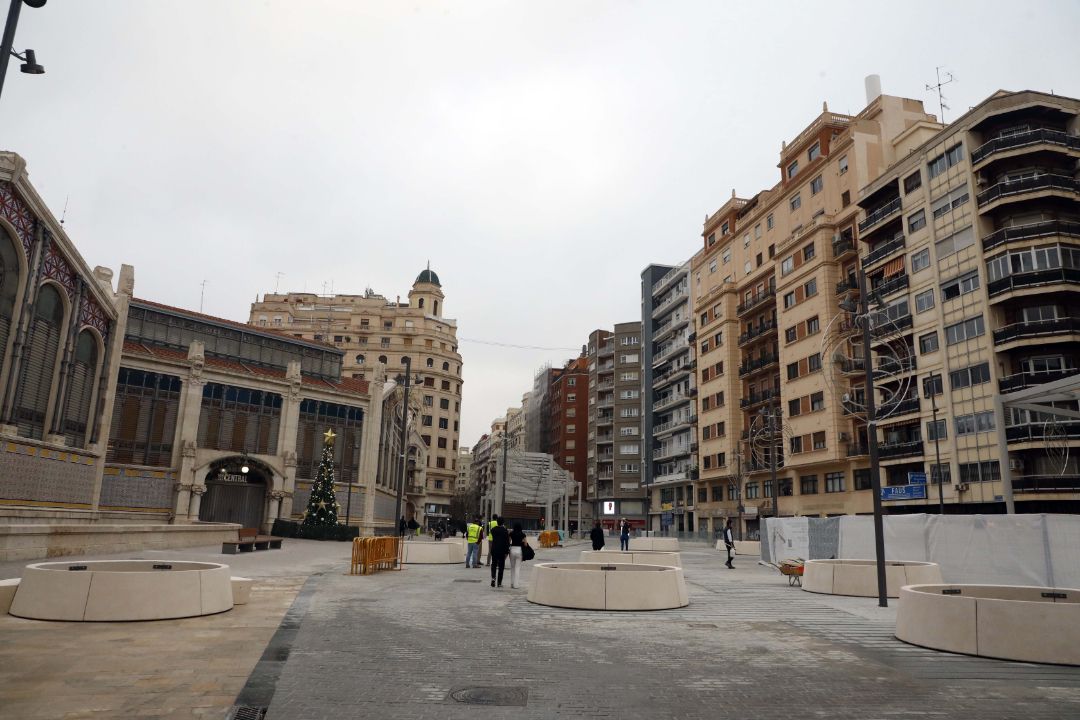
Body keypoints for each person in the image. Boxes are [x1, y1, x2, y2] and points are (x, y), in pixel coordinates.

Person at [489, 517, 511, 588]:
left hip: (494, 549)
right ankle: (499, 583)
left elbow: (492, 533)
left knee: (494, 564)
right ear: (503, 522)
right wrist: (507, 551)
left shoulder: (493, 530)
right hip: (502, 550)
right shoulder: (505, 531)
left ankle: (493, 578)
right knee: (501, 567)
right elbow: (507, 542)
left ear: (497, 522)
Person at [508, 522, 527, 589]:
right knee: (517, 568)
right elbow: (525, 544)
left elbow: (509, 542)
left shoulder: (511, 533)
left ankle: (512, 583)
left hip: (512, 550)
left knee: (512, 567)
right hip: (519, 550)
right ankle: (516, 585)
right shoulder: (523, 534)